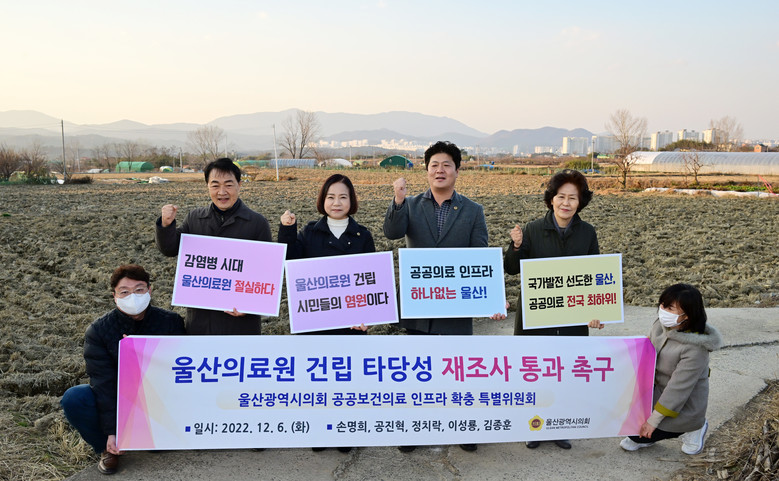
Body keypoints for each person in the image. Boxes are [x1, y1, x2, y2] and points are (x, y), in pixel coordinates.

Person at [384, 140, 502, 453]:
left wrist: (491, 296)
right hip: (419, 302)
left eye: (446, 165)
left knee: (457, 370)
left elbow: (480, 256)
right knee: (418, 372)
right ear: (426, 171)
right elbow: (392, 233)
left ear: (457, 170)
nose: (440, 170)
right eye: (434, 165)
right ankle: (415, 429)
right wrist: (398, 199)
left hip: (455, 304)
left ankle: (463, 426)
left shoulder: (473, 210)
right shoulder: (410, 204)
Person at [503, 169, 598, 450]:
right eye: (561, 197)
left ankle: (559, 427)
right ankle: (534, 427)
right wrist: (516, 246)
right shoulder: (532, 229)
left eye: (573, 198)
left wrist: (596, 310)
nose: (566, 203)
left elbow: (593, 274)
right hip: (536, 316)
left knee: (564, 372)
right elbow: (511, 268)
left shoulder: (587, 233)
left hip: (571, 318)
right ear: (551, 199)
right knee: (536, 372)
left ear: (580, 202)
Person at [278, 173, 373, 453]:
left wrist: (367, 317)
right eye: (331, 197)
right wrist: (287, 230)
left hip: (349, 325)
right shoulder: (309, 232)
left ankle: (344, 431)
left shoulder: (363, 235)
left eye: (343, 197)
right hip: (316, 322)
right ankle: (318, 431)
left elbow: (371, 279)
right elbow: (290, 261)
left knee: (346, 380)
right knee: (317, 380)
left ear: (351, 201)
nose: (336, 202)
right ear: (323, 200)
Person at [61, 265, 185, 475]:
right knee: (75, 398)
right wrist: (111, 431)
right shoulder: (99, 331)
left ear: (150, 290)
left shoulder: (171, 322)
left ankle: (158, 436)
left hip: (159, 395)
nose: (133, 297)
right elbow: (103, 383)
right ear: (114, 296)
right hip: (119, 396)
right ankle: (108, 449)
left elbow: (181, 368)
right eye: (125, 292)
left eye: (139, 290)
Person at [591, 284, 722, 454]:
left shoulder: (695, 349)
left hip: (682, 406)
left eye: (670, 308)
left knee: (639, 434)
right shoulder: (661, 325)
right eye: (662, 305)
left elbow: (677, 390)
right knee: (627, 425)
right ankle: (649, 432)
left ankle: (694, 428)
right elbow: (646, 348)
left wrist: (652, 421)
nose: (663, 311)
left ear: (687, 315)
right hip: (654, 391)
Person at [155, 158, 272, 335]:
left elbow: (267, 271)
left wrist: (250, 306)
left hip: (241, 324)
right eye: (215, 185)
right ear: (208, 186)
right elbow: (169, 249)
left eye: (229, 185)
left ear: (239, 185)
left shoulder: (257, 223)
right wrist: (166, 224)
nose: (222, 192)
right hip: (201, 321)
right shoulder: (195, 218)